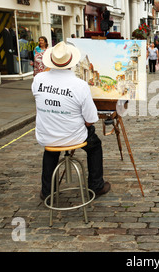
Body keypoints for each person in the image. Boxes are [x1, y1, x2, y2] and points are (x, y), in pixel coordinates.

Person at [32, 41, 110, 201]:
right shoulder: (79, 85)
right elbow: (91, 120)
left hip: (47, 136)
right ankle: (96, 185)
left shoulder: (38, 80)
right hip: (73, 137)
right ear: (71, 62)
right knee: (94, 145)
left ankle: (47, 191)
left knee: (51, 150)